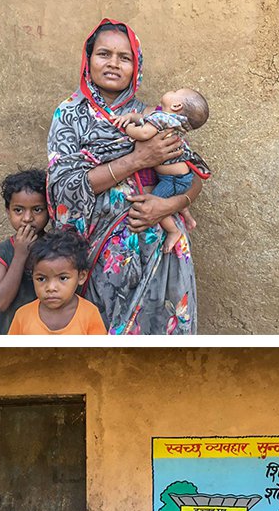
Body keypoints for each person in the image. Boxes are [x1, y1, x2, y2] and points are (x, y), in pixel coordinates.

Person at [47, 19, 201, 334]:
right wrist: (138, 159)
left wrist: (169, 207)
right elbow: (62, 186)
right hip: (98, 252)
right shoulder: (69, 116)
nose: (114, 64)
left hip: (157, 246)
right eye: (104, 54)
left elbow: (191, 171)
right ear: (88, 60)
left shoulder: (152, 117)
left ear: (136, 66)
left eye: (125, 57)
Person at [111, 88, 211, 253]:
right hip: (180, 177)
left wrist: (127, 127)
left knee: (155, 205)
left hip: (172, 180)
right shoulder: (171, 120)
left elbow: (143, 132)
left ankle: (173, 230)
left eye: (174, 91)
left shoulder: (164, 119)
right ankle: (187, 216)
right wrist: (132, 116)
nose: (170, 90)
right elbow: (145, 119)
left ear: (177, 105)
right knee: (174, 196)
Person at [0, 169, 49, 334]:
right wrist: (20, 255)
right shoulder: (1, 253)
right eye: (18, 210)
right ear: (8, 211)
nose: (27, 218)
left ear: (49, 210)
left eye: (37, 209)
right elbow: (1, 302)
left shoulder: (56, 249)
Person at [8, 229, 107, 335]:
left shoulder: (90, 314)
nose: (51, 288)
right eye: (41, 279)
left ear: (81, 277)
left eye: (63, 278)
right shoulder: (23, 316)